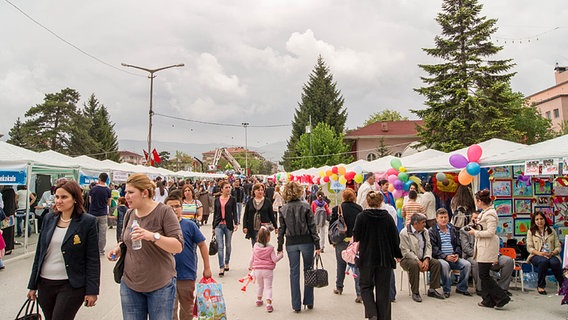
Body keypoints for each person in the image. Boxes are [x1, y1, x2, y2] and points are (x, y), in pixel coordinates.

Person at [107, 173, 183, 320]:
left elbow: (178, 246)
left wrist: (152, 236)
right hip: (130, 284)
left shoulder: (164, 212)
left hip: (160, 284)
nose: (126, 196)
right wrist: (118, 248)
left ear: (145, 193)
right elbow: (125, 240)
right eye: (125, 192)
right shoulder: (129, 214)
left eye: (130, 192)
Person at [27, 179, 100, 320]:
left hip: (70, 285)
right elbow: (39, 254)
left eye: (64, 197)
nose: (59, 201)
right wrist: (32, 285)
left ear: (75, 199)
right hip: (45, 284)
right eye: (57, 197)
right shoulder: (49, 218)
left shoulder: (87, 222)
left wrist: (92, 290)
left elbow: (92, 259)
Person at [353, 191, 401, 320]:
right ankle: (384, 317)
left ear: (367, 202)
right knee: (383, 290)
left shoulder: (361, 217)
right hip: (384, 258)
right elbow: (394, 238)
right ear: (381, 202)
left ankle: (372, 312)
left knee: (365, 286)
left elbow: (356, 235)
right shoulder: (387, 217)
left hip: (367, 257)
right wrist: (398, 254)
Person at [165, 195, 212, 320]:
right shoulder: (161, 227)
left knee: (187, 309)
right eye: (171, 207)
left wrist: (207, 268)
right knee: (170, 310)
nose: (174, 209)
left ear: (182, 208)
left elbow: (202, 245)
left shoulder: (189, 225)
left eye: (177, 206)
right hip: (166, 276)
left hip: (186, 274)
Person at [277, 181, 321, 313]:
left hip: (291, 243)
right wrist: (317, 244)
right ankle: (309, 300)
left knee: (294, 273)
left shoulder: (283, 209)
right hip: (307, 241)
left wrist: (279, 246)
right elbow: (312, 227)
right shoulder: (306, 206)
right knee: (309, 270)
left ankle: (296, 304)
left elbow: (281, 229)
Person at [468, 189, 510, 309]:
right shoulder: (484, 212)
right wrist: (476, 224)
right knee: (483, 274)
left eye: (477, 201)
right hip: (482, 247)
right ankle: (488, 299)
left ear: (480, 201)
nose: (476, 203)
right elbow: (484, 226)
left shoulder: (490, 213)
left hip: (487, 246)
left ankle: (501, 296)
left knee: (484, 274)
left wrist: (475, 232)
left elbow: (491, 232)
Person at [459, 214, 514, 296]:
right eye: (475, 218)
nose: (477, 220)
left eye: (479, 218)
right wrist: (481, 256)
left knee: (508, 261)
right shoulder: (464, 230)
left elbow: (495, 244)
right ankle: (480, 289)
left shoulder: (488, 229)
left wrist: (495, 256)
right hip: (473, 256)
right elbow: (466, 248)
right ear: (471, 219)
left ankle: (502, 289)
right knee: (477, 262)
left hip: (491, 255)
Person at [399, 213, 445, 303]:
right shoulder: (404, 233)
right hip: (407, 259)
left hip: (422, 258)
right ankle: (415, 292)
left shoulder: (425, 231)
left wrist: (427, 259)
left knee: (436, 263)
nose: (425, 224)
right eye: (423, 222)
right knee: (414, 265)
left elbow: (428, 246)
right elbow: (406, 251)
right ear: (416, 224)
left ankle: (432, 289)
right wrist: (418, 261)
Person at [429, 208, 472, 298]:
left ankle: (461, 288)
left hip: (453, 257)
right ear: (437, 219)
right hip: (440, 258)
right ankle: (447, 290)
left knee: (467, 264)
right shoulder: (432, 231)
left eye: (445, 217)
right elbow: (433, 248)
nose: (444, 219)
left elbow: (458, 244)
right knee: (445, 266)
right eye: (441, 217)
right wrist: (445, 256)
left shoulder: (452, 229)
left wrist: (457, 254)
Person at [329, 188, 363, 301]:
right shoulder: (359, 209)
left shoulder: (337, 209)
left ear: (343, 197)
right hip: (354, 241)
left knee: (340, 264)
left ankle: (339, 287)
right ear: (353, 197)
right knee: (355, 266)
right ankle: (359, 293)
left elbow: (332, 226)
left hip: (341, 240)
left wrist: (332, 240)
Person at [526, 211, 565, 295]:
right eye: (537, 219)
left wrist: (553, 253)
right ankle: (541, 286)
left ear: (544, 219)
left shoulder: (552, 231)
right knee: (543, 261)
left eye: (541, 219)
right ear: (534, 221)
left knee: (555, 262)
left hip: (551, 254)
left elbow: (558, 246)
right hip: (536, 255)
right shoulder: (531, 231)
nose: (539, 221)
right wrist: (540, 253)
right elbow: (529, 247)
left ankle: (563, 285)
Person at [249, 226, 284, 313]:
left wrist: (250, 266)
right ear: (268, 238)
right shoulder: (270, 248)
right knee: (268, 287)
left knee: (260, 285)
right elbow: (274, 259)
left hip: (257, 270)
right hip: (268, 270)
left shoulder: (255, 247)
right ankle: (269, 303)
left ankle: (259, 299)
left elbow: (252, 258)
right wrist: (281, 255)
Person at [213, 181, 239, 276]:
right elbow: (216, 213)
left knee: (228, 245)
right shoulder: (217, 200)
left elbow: (234, 212)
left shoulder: (232, 199)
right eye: (226, 187)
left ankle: (227, 262)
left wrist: (235, 223)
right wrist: (213, 226)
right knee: (220, 246)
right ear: (222, 189)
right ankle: (221, 266)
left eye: (229, 187)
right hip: (218, 225)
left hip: (228, 225)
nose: (228, 189)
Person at [89, 173, 111, 256]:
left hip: (93, 213)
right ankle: (100, 250)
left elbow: (90, 201)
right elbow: (108, 203)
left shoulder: (93, 189)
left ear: (99, 179)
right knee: (102, 233)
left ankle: (92, 249)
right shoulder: (108, 190)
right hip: (103, 213)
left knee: (92, 232)